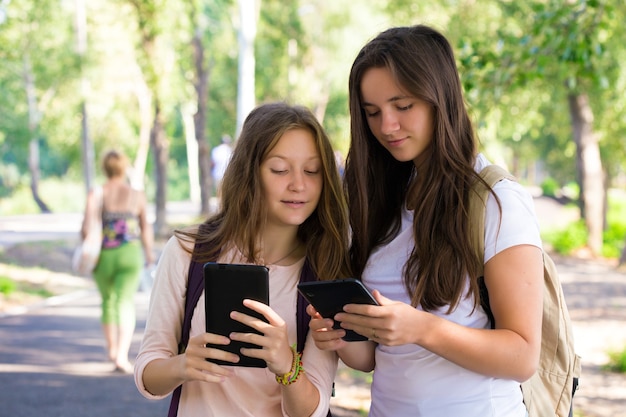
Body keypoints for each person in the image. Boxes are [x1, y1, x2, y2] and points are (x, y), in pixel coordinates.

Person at [307, 25, 544, 416]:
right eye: (372, 113)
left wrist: (422, 329)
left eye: (403, 107)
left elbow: (522, 356)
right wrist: (341, 335)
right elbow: (371, 358)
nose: (387, 126)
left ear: (441, 99)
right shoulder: (382, 202)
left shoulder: (497, 201)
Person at [134, 102, 351, 416]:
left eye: (312, 171)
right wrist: (183, 364)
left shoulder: (326, 268)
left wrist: (287, 365)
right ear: (250, 172)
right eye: (279, 169)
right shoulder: (188, 250)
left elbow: (312, 411)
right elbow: (148, 375)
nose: (298, 184)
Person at [82, 150, 155, 373]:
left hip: (103, 255)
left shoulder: (97, 193)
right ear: (124, 168)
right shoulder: (137, 195)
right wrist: (149, 254)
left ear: (104, 168)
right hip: (130, 254)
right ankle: (122, 355)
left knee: (108, 302)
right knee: (125, 302)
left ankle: (112, 349)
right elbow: (145, 228)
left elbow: (86, 228)